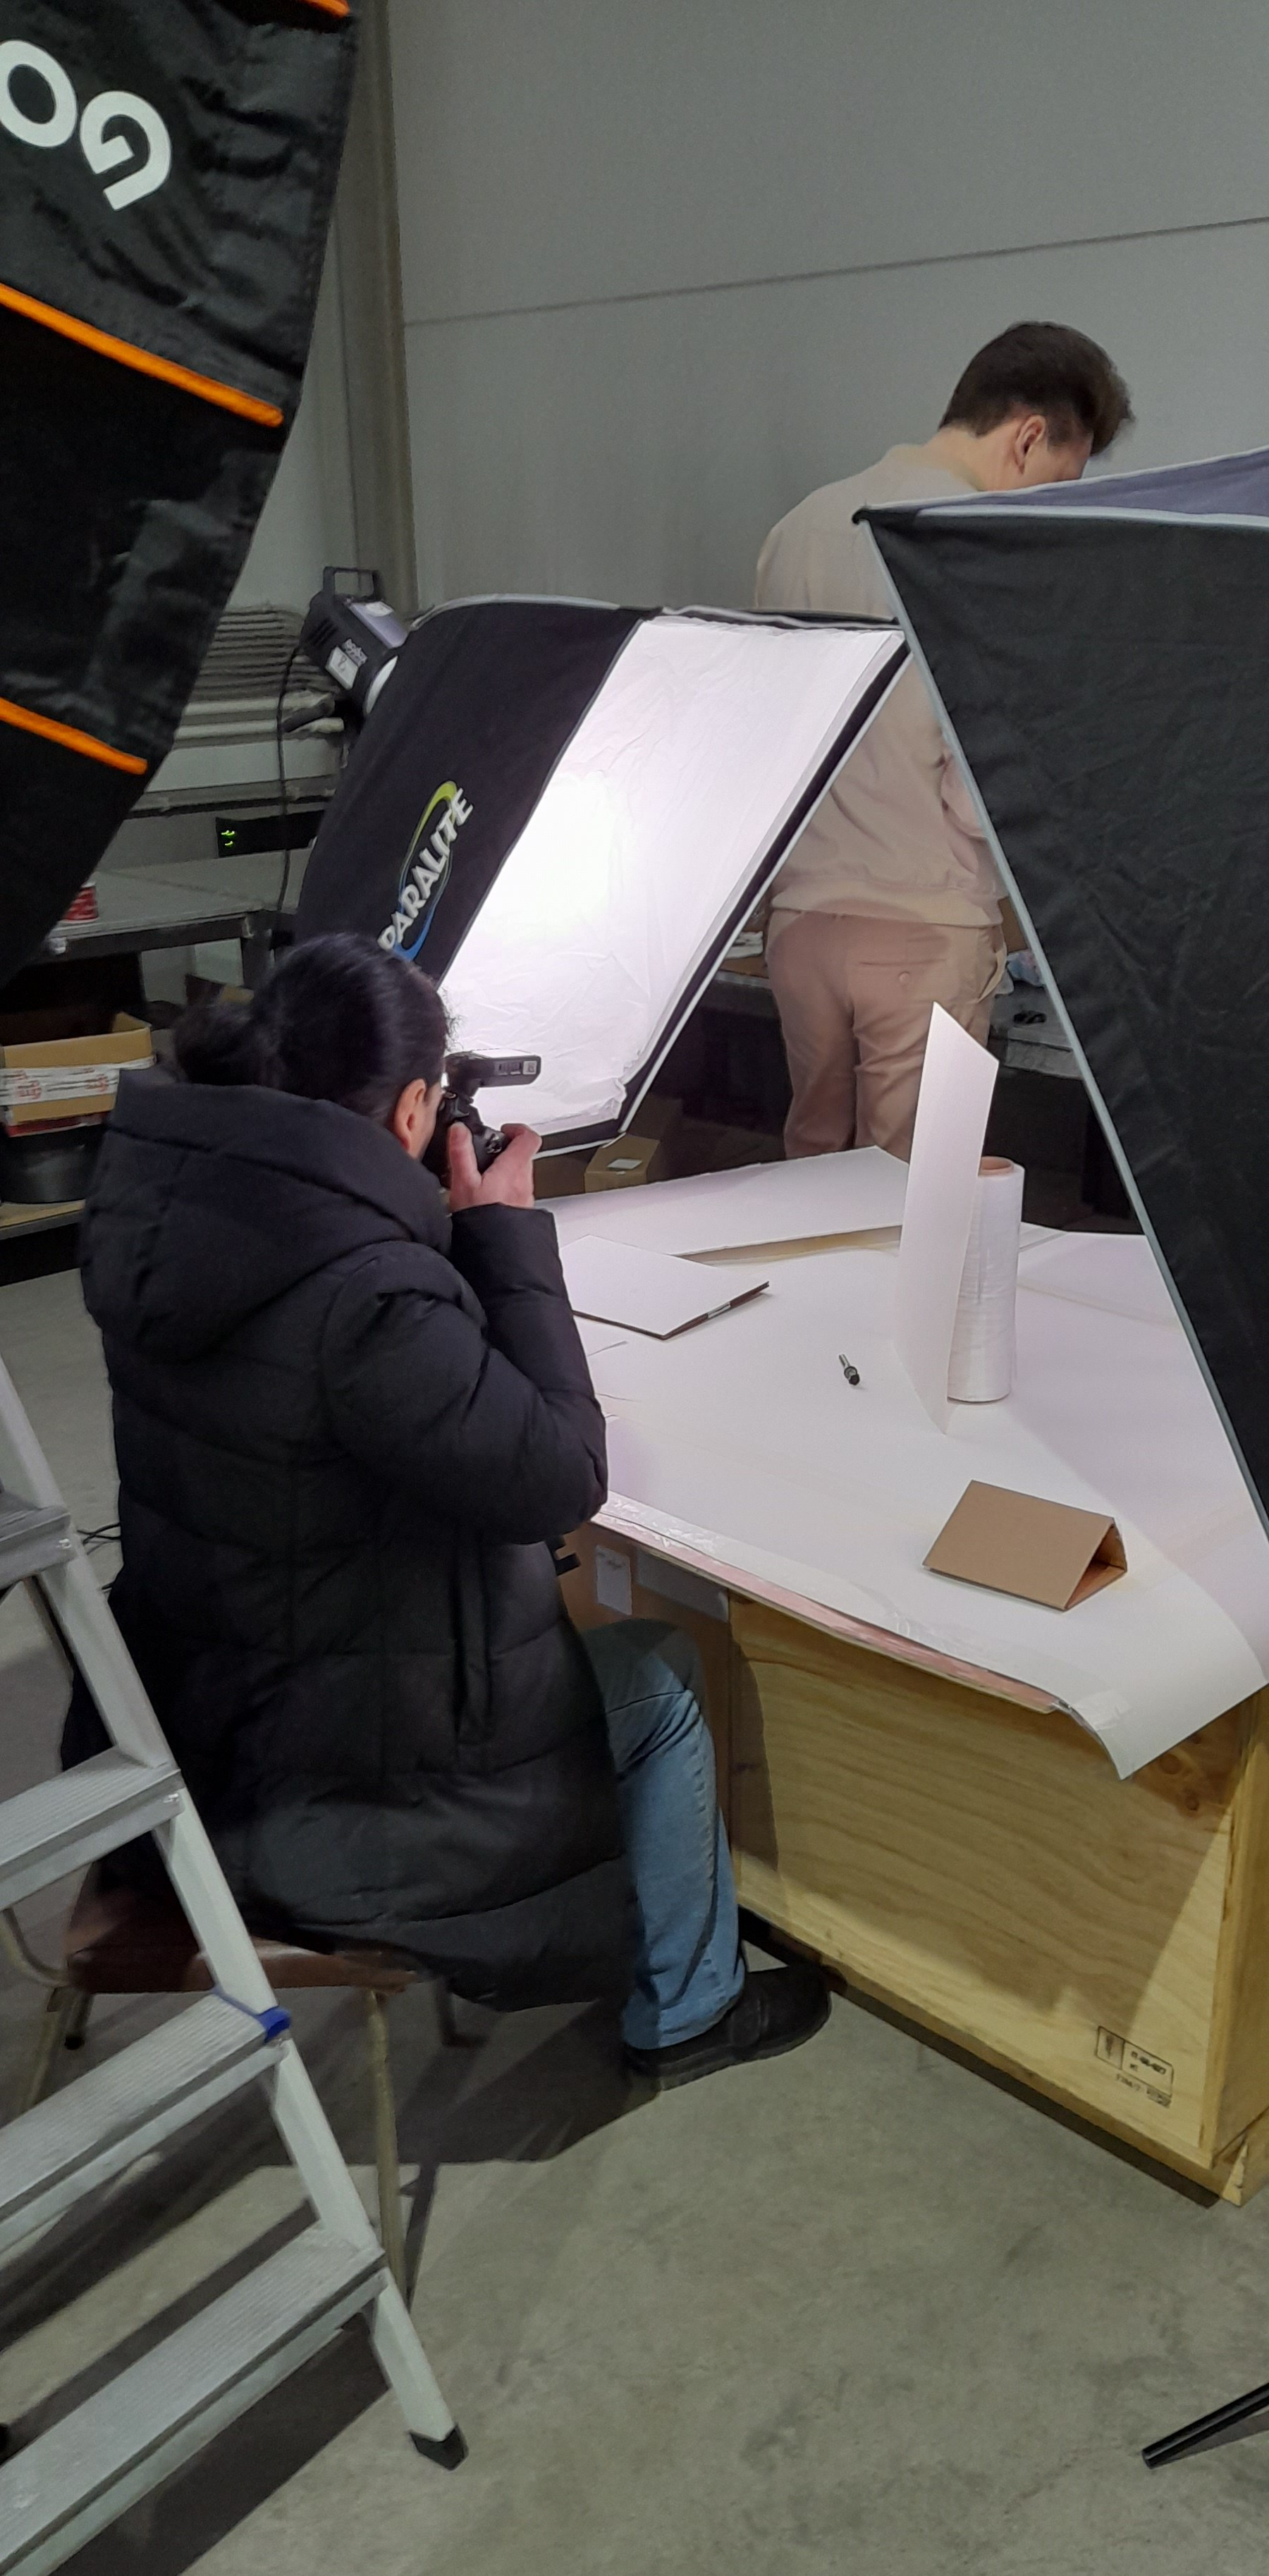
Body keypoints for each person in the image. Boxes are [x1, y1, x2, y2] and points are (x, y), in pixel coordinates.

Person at [70, 933, 828, 2089]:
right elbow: (559, 1478)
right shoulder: (367, 1294)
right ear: (416, 1108)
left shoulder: (165, 1210)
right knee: (658, 1679)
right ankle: (692, 2008)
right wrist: (503, 1236)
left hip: (188, 1722)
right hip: (337, 1794)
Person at [754, 321, 1134, 1159]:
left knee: (810, 1171)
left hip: (800, 925)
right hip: (923, 924)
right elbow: (980, 782)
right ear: (1027, 438)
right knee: (913, 1189)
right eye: (1057, 482)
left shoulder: (798, 528)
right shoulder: (977, 545)